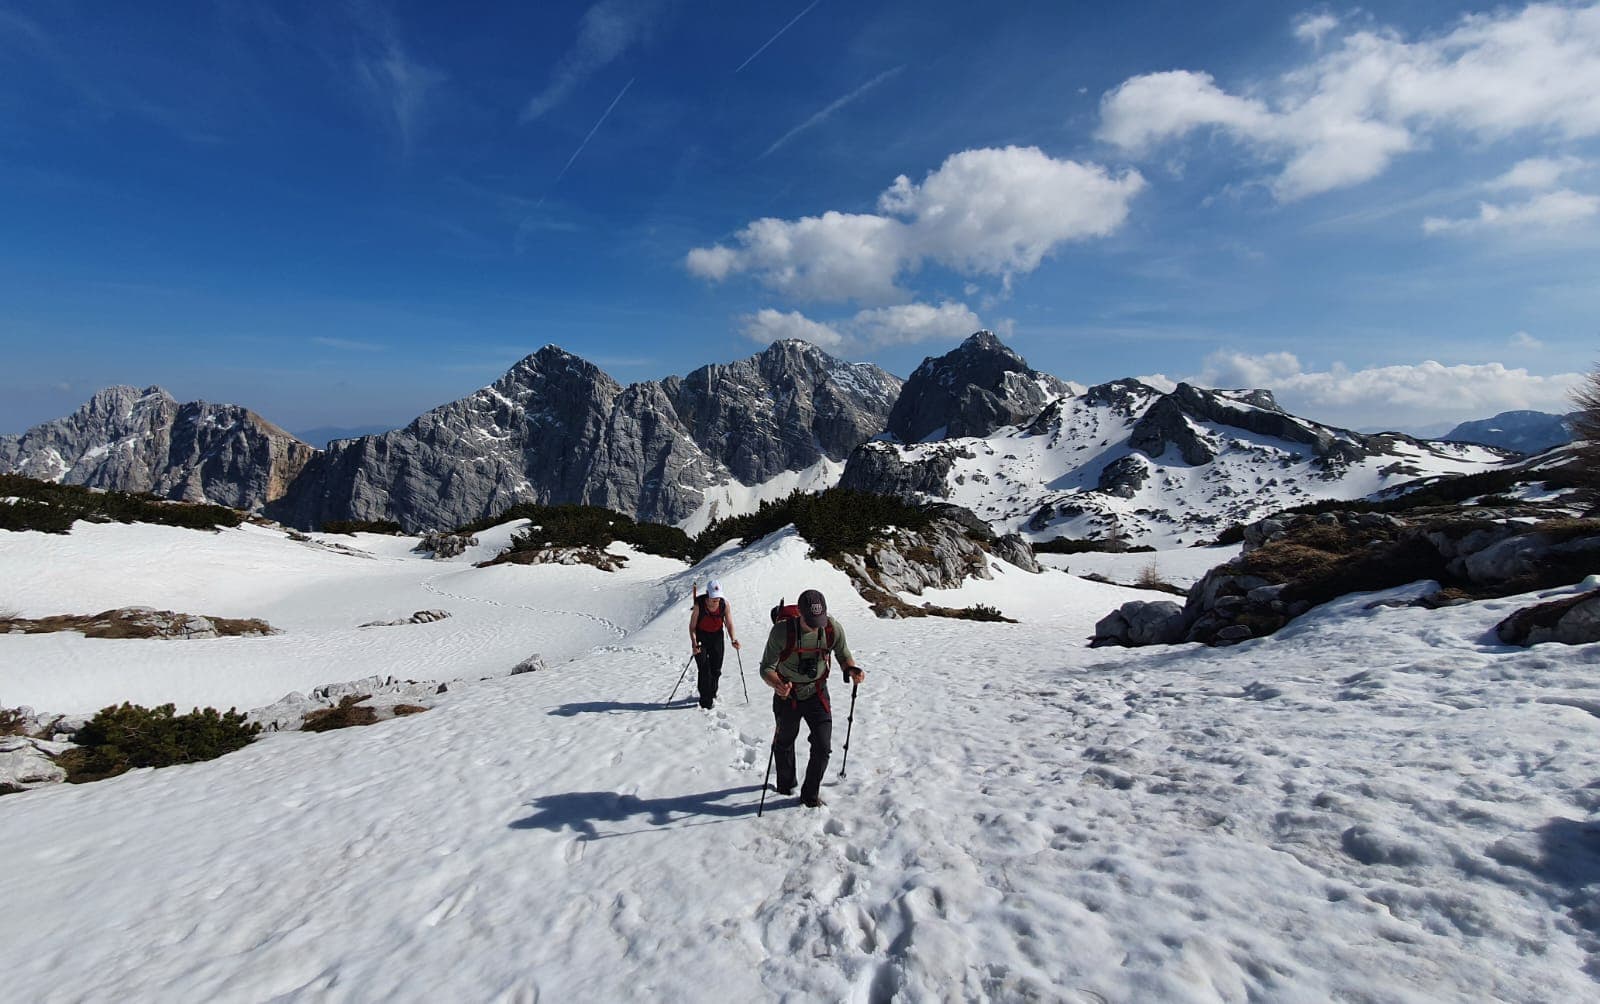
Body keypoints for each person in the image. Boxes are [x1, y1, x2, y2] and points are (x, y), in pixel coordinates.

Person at [758, 588, 864, 808]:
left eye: (820, 619)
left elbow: (843, 654)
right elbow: (766, 667)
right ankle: (785, 786)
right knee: (784, 741)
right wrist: (777, 684)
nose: (817, 625)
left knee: (823, 746)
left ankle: (810, 795)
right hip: (788, 694)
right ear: (800, 614)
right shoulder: (782, 632)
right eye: (812, 621)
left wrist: (851, 669)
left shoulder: (831, 628)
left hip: (817, 692)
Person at [689, 580, 739, 709]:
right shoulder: (699, 605)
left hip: (717, 637)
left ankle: (712, 692)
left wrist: (733, 639)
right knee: (704, 669)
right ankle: (706, 701)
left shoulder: (724, 605)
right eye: (713, 598)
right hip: (701, 638)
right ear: (707, 594)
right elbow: (692, 627)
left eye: (717, 598)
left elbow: (729, 623)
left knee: (716, 669)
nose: (715, 601)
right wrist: (694, 643)